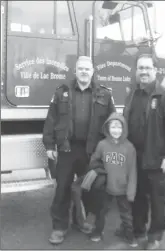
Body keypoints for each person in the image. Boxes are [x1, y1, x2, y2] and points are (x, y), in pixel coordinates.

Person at [42, 56, 116, 244]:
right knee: (63, 190)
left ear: (92, 71)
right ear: (75, 71)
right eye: (80, 68)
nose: (84, 72)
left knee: (87, 189)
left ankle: (80, 221)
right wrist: (49, 145)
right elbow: (51, 120)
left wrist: (110, 148)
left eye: (87, 69)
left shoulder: (104, 94)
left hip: (91, 151)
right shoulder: (62, 92)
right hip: (67, 149)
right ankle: (59, 228)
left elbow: (112, 123)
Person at [123, 54, 165, 249]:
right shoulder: (132, 94)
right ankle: (138, 229)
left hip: (158, 159)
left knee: (158, 200)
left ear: (155, 71)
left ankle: (156, 234)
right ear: (136, 71)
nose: (144, 72)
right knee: (138, 196)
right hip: (136, 158)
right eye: (140, 68)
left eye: (148, 68)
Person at [81, 112, 138, 247]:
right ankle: (97, 232)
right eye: (113, 127)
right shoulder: (102, 145)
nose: (116, 130)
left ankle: (130, 236)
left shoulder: (129, 148)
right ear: (107, 128)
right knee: (101, 212)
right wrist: (98, 170)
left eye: (119, 127)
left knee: (126, 215)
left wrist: (131, 191)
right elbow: (94, 161)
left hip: (123, 189)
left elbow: (132, 171)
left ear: (124, 129)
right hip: (106, 187)